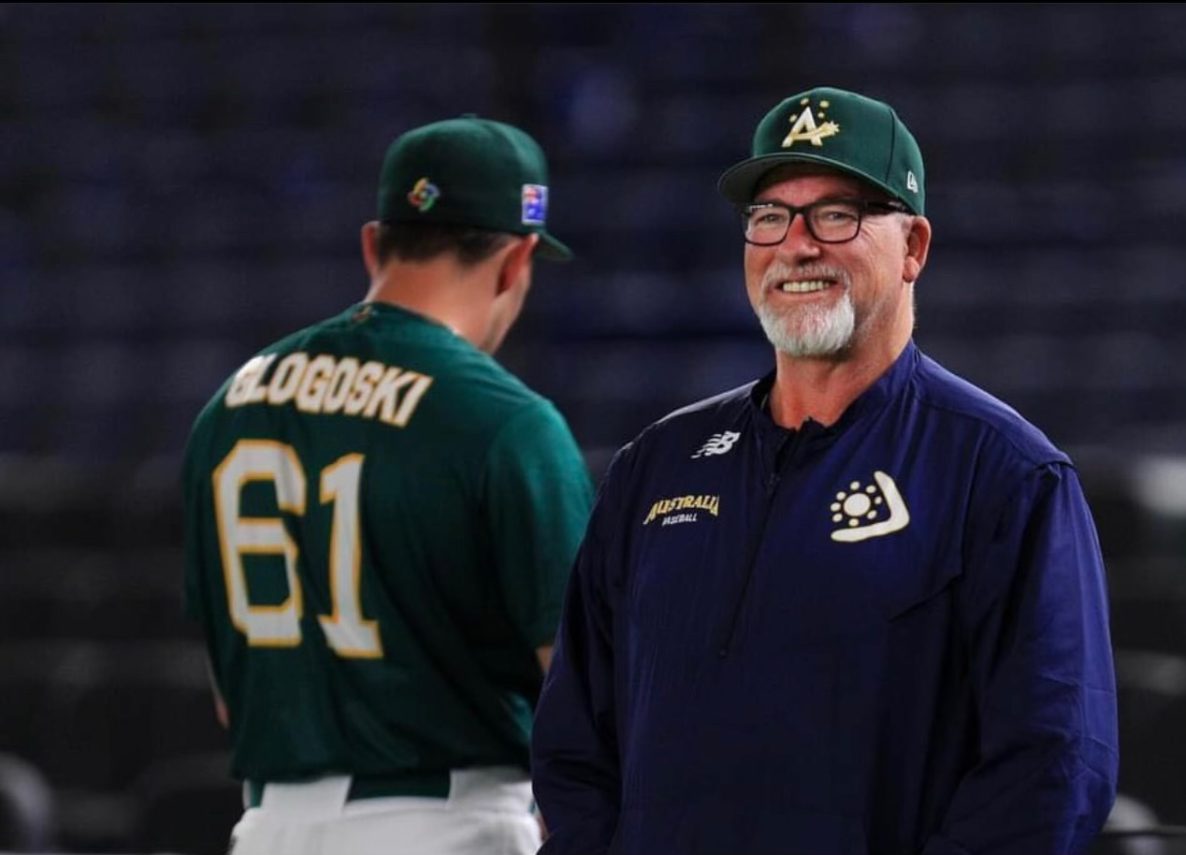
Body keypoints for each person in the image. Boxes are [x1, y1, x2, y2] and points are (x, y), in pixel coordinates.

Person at [531, 86, 1119, 855]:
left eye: (836, 214)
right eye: (769, 215)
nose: (796, 244)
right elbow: (575, 745)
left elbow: (1055, 766)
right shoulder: (655, 467)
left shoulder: (1004, 473)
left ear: (914, 248)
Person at [182, 115, 594, 855]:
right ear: (518, 260)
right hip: (453, 825)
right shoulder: (505, 422)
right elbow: (587, 703)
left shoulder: (227, 407)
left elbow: (227, 694)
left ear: (374, 242)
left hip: (267, 827)